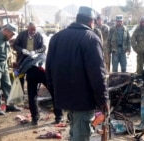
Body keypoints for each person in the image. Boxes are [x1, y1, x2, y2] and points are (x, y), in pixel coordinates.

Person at [46, 6, 108, 141]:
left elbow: (48, 70)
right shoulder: (91, 38)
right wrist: (103, 100)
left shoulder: (56, 37)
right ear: (91, 21)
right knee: (81, 135)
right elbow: (97, 74)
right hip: (83, 100)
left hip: (65, 98)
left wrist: (55, 93)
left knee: (75, 131)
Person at [16, 53, 63, 125]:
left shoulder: (31, 56)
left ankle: (35, 119)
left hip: (31, 73)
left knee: (32, 96)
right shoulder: (46, 56)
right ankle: (59, 117)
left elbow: (23, 66)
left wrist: (18, 72)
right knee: (54, 94)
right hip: (43, 73)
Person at [13, 22, 46, 91]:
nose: (33, 31)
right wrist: (22, 50)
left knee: (31, 76)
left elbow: (43, 48)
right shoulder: (22, 34)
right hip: (22, 58)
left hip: (33, 59)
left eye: (35, 29)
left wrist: (35, 52)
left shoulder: (39, 35)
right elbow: (15, 45)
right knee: (19, 74)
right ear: (28, 28)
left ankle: (32, 92)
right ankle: (20, 92)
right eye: (31, 29)